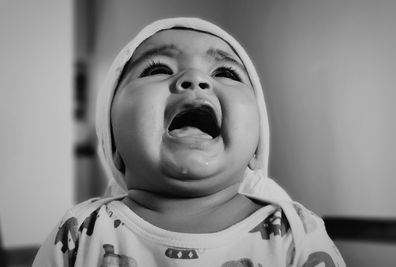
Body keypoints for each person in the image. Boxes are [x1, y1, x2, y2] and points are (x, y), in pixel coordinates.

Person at [33, 17, 345, 267]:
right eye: (158, 69)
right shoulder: (79, 233)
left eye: (225, 72)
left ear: (256, 146)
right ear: (112, 142)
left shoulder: (297, 235)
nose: (195, 79)